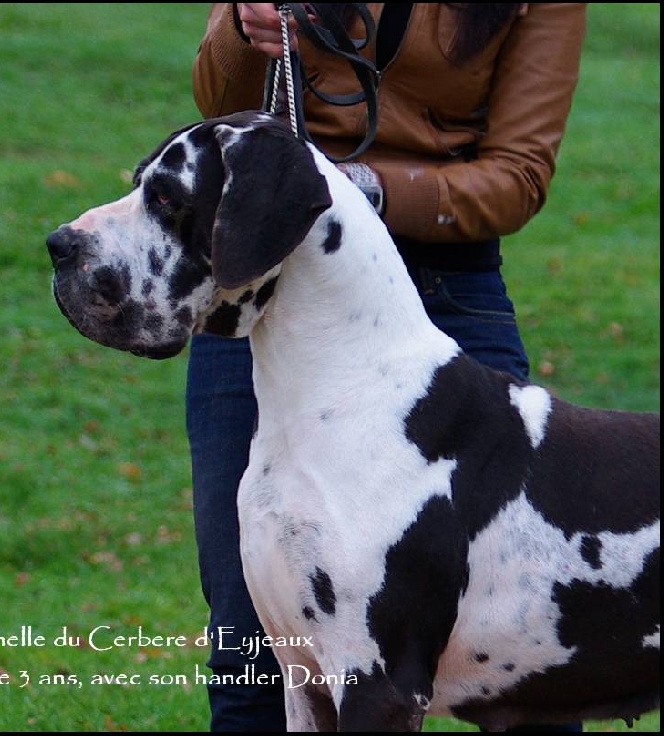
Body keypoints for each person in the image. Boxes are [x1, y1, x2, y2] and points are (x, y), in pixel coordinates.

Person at [186, 3, 588, 731]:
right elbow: (221, 110)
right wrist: (239, 34)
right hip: (273, 285)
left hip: (448, 292)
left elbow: (518, 176)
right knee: (254, 647)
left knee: (538, 657)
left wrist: (357, 191)